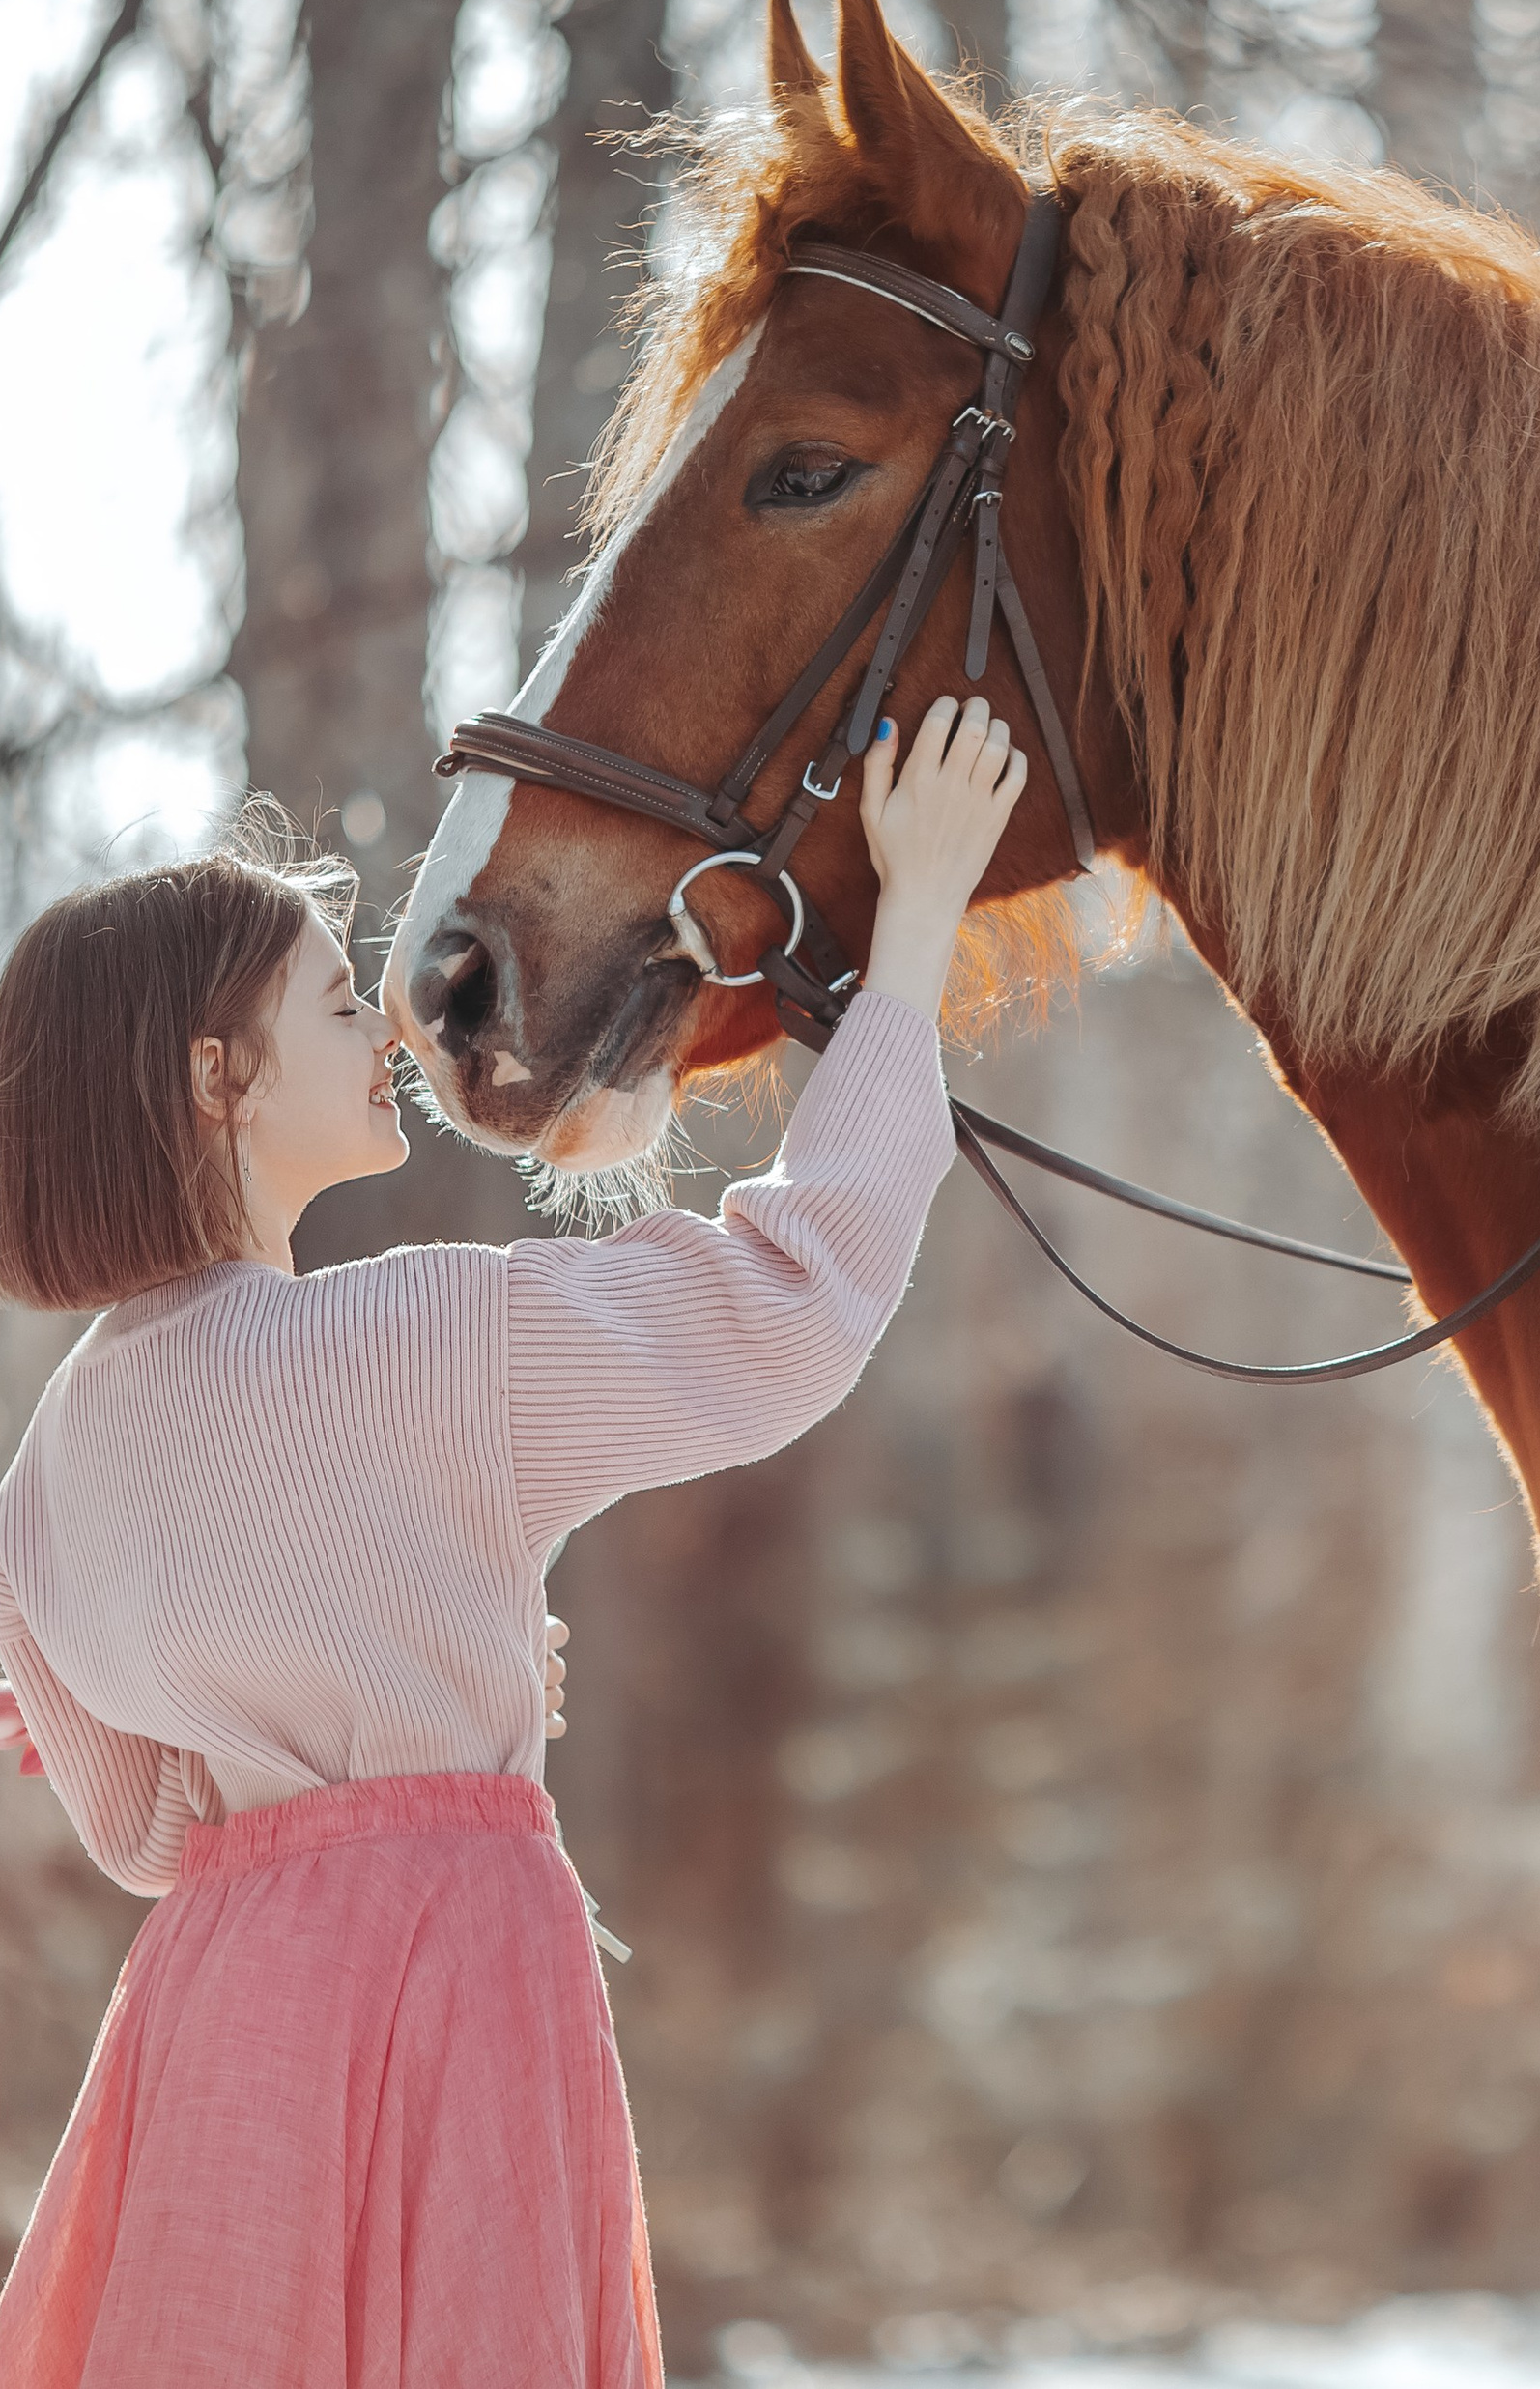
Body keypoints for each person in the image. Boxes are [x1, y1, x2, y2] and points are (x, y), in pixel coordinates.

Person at [0, 697, 1026, 2386]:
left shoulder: (47, 1470)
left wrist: (385, 1672)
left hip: (218, 2042)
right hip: (448, 1994)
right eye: (342, 1006)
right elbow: (793, 1302)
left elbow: (146, 1827)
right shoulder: (421, 1345)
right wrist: (913, 924)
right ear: (218, 1077)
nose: (393, 1036)